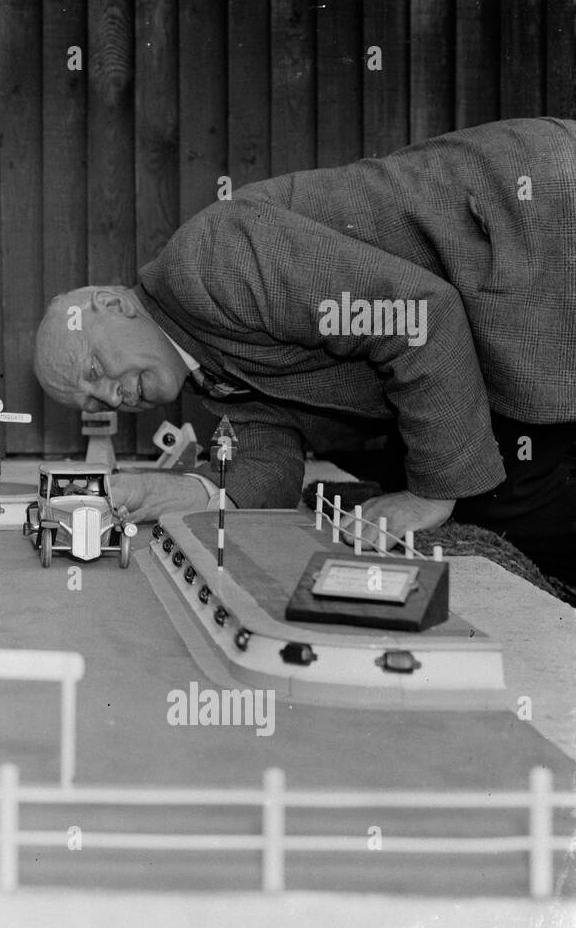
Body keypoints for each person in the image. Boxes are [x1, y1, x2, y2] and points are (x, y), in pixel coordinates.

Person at [32, 117, 576, 590]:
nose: (112, 396)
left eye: (96, 371)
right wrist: (167, 492)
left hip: (537, 219)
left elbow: (417, 315)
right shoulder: (209, 371)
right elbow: (266, 468)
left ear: (109, 304)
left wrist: (430, 494)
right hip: (520, 287)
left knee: (499, 505)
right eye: (93, 399)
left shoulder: (210, 263)